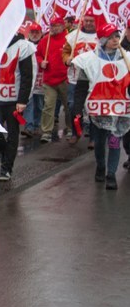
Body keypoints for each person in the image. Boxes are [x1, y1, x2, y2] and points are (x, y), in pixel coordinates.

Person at [72, 24, 130, 190]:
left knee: (114, 141)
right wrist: (77, 110)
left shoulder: (127, 59)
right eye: (111, 37)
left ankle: (111, 174)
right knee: (99, 142)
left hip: (119, 110)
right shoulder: (88, 60)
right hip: (98, 111)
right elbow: (81, 88)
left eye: (117, 37)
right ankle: (100, 166)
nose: (115, 40)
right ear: (103, 39)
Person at [0, 30, 35, 181]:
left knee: (12, 134)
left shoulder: (23, 46)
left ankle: (6, 168)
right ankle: (6, 153)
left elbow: (26, 76)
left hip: (13, 101)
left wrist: (22, 100)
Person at [62, 10, 98, 144]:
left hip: (94, 79)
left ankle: (94, 137)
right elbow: (65, 52)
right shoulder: (74, 36)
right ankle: (76, 132)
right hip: (75, 78)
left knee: (94, 108)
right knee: (72, 106)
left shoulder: (100, 37)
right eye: (86, 20)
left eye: (91, 21)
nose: (88, 23)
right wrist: (67, 60)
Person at [36, 17, 71, 143]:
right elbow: (38, 54)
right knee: (48, 106)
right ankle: (46, 131)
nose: (54, 28)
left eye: (56, 25)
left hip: (65, 79)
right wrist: (41, 62)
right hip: (49, 79)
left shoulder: (69, 39)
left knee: (68, 106)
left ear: (62, 26)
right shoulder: (45, 40)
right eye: (52, 25)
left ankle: (70, 128)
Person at [23, 23, 45, 136]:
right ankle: (29, 126)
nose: (35, 35)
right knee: (29, 102)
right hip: (29, 78)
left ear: (41, 33)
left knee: (39, 104)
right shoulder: (24, 45)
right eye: (32, 32)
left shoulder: (45, 44)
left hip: (41, 79)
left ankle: (36, 124)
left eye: (37, 32)